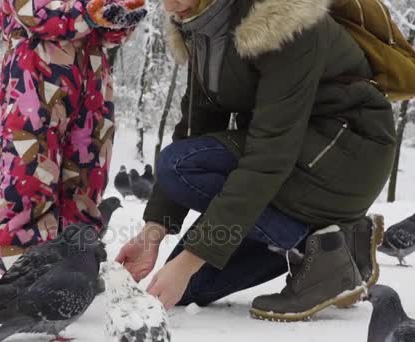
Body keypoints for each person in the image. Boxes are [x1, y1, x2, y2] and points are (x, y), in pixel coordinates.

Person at [116, 0, 397, 321]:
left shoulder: (285, 19)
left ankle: (321, 248)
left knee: (178, 166)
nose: (170, 4)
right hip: (288, 157)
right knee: (190, 288)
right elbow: (197, 127)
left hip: (345, 157)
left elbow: (268, 155)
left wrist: (190, 259)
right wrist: (153, 233)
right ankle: (329, 240)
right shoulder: (201, 24)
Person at [0, 0, 146, 274]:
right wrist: (87, 12)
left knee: (87, 174)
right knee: (31, 172)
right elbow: (31, 10)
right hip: (34, 74)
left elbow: (105, 33)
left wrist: (120, 18)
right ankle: (26, 266)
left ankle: (76, 262)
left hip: (92, 77)